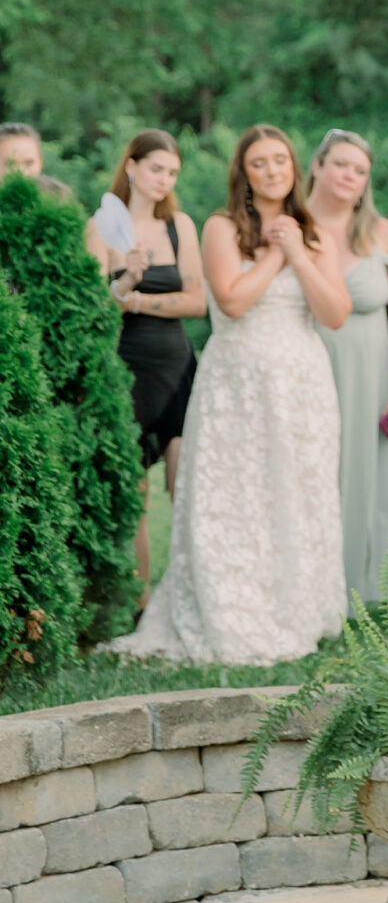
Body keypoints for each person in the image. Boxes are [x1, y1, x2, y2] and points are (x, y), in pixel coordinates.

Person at [116, 126, 350, 664]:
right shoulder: (222, 227)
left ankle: (298, 609)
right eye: (260, 163)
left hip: (301, 384)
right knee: (238, 493)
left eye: (280, 161)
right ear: (243, 173)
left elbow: (334, 314)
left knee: (297, 493)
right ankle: (233, 609)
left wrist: (299, 250)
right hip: (238, 382)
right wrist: (274, 256)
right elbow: (233, 301)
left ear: (295, 167)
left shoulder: (313, 232)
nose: (272, 171)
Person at [84, 130, 207, 607]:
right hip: (126, 370)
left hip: (175, 367)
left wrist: (135, 299)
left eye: (173, 172)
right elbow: (96, 308)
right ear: (132, 166)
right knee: (135, 498)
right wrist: (128, 278)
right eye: (157, 168)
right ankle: (141, 607)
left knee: (186, 488)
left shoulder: (180, 225)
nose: (164, 180)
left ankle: (189, 599)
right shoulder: (100, 228)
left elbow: (197, 302)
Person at [307, 129, 388, 603]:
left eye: (359, 170)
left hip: (374, 374)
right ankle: (318, 596)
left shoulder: (381, 232)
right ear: (317, 166)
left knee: (384, 480)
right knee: (315, 476)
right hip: (310, 371)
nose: (349, 176)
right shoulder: (292, 226)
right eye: (340, 164)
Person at [0, 122, 71, 203]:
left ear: (40, 163)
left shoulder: (58, 197)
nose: (21, 172)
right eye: (10, 164)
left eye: (29, 163)